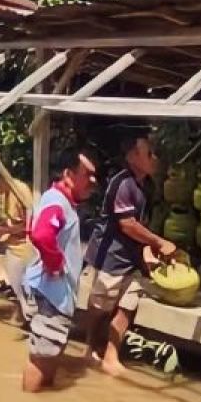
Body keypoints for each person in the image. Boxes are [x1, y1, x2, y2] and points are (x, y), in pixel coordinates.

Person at [81, 135, 176, 376]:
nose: (154, 159)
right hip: (110, 256)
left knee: (128, 305)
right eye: (148, 154)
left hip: (132, 257)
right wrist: (158, 241)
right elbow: (128, 224)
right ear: (133, 157)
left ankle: (111, 355)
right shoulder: (122, 184)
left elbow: (141, 223)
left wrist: (148, 252)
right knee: (101, 307)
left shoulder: (147, 185)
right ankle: (89, 346)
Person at [22, 149, 98, 392]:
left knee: (50, 352)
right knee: (42, 357)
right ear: (68, 175)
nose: (93, 181)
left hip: (55, 294)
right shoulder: (57, 201)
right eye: (87, 175)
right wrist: (55, 264)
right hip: (50, 294)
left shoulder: (61, 202)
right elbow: (42, 234)